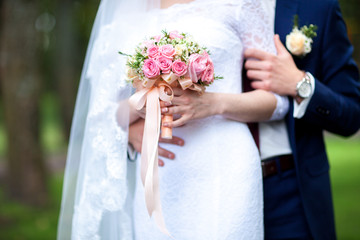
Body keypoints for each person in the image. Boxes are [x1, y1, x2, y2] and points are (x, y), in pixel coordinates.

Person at [58, 0, 291, 239]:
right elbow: (102, 111)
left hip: (224, 166)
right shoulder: (125, 10)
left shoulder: (241, 4)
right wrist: (136, 109)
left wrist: (213, 103)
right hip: (157, 175)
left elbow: (277, 101)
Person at [243, 0, 360, 239]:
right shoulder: (194, 8)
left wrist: (299, 84)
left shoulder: (316, 7)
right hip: (215, 183)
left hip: (288, 189)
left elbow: (352, 115)